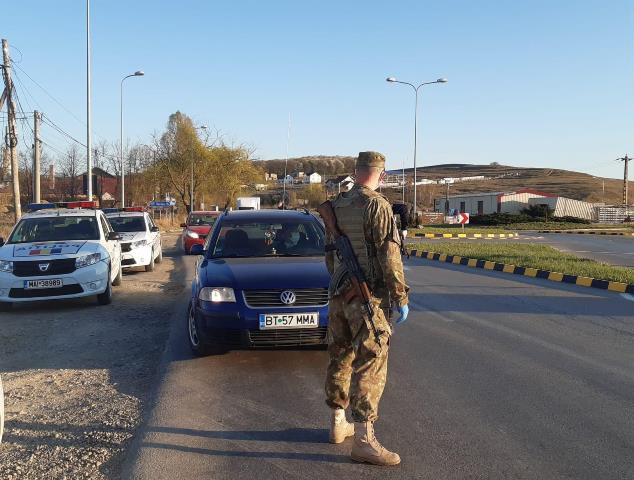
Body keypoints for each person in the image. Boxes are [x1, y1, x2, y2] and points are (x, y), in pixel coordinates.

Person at [323, 151, 409, 466]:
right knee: (371, 361)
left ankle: (337, 423)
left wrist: (338, 282)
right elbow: (390, 254)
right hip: (366, 297)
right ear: (381, 175)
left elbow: (330, 255)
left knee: (340, 355)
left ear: (356, 171)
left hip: (338, 294)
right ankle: (363, 439)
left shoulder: (336, 206)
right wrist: (400, 294)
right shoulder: (377, 205)